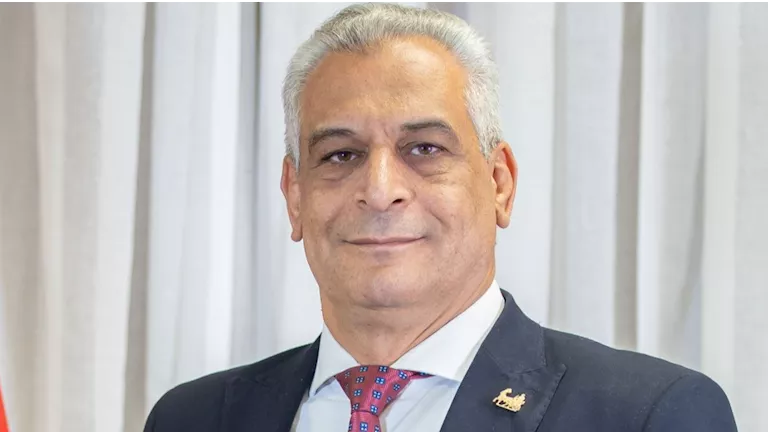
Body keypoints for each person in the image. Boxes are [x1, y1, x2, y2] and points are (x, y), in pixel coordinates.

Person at [144, 4, 737, 432]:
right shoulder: (192, 418)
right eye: (341, 155)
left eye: (424, 148)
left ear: (500, 184)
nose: (380, 191)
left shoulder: (648, 415)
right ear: (294, 196)